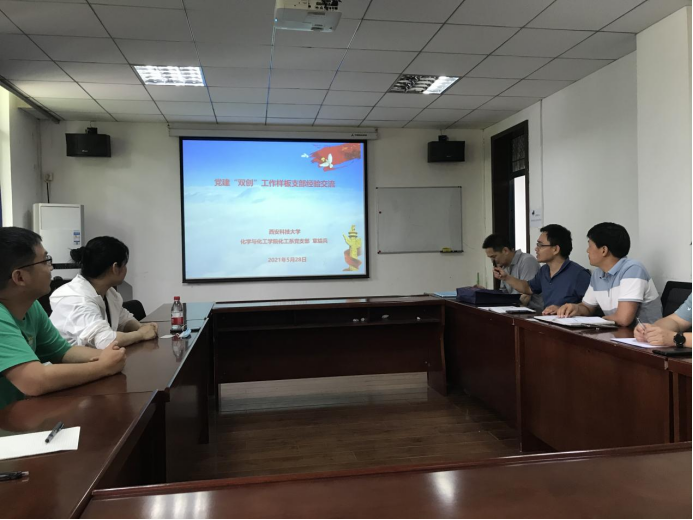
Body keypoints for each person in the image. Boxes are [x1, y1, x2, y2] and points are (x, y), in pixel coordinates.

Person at [0, 227, 126, 410]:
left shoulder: (31, 307)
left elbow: (63, 352)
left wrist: (109, 356)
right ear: (20, 277)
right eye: (45, 261)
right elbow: (35, 380)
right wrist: (104, 366)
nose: (51, 267)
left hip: (16, 414)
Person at [50, 237, 158, 349]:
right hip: (70, 360)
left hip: (97, 357)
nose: (126, 269)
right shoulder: (75, 299)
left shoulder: (109, 292)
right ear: (115, 268)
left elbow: (123, 319)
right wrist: (141, 334)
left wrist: (141, 327)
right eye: (124, 264)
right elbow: (105, 341)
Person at [557, 223, 662, 327]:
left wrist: (596, 321)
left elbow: (623, 319)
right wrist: (575, 308)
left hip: (646, 335)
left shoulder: (633, 269)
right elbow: (587, 307)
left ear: (604, 250)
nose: (587, 250)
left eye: (590, 246)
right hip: (618, 333)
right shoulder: (598, 273)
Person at [493, 225, 591, 315]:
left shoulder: (579, 274)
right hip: (547, 322)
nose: (536, 249)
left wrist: (565, 309)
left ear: (555, 249)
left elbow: (591, 308)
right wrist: (506, 277)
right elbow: (528, 288)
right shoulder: (544, 270)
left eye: (540, 245)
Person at [481, 234, 543, 311]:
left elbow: (526, 296)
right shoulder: (504, 266)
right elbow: (504, 294)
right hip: (515, 309)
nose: (493, 261)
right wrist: (485, 293)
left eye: (494, 257)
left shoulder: (527, 261)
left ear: (505, 251)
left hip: (533, 311)